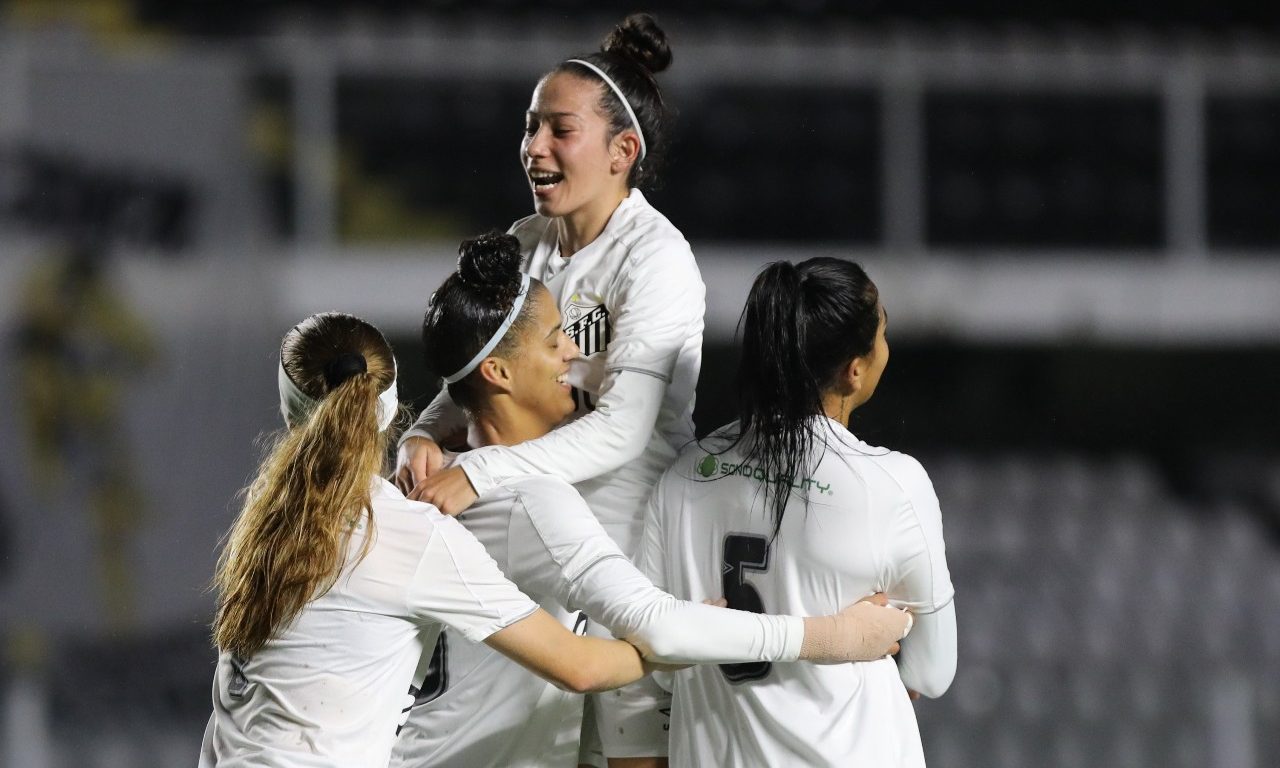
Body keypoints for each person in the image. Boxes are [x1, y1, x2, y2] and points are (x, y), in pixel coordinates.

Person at [389, 234, 912, 768]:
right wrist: (833, 636)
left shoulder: (415, 485)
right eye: (553, 342)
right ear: (498, 373)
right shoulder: (533, 504)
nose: (574, 350)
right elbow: (642, 635)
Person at [394, 13, 704, 763]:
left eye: (559, 130)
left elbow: (626, 432)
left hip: (629, 560)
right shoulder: (527, 243)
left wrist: (481, 469)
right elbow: (478, 371)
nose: (533, 147)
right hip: (538, 553)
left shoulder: (656, 261)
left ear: (622, 151)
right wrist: (421, 433)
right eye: (531, 127)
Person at [198, 312, 667, 768]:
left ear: (288, 407)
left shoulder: (267, 509)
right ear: (385, 406)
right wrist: (672, 643)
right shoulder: (408, 531)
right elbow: (579, 668)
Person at [639, 258, 958, 767]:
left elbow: (655, 661)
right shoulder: (891, 484)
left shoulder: (683, 474)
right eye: (883, 333)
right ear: (855, 370)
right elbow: (931, 673)